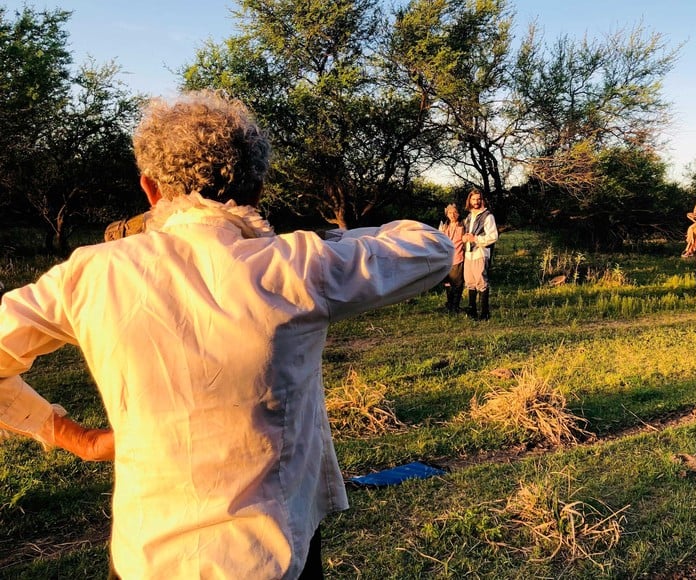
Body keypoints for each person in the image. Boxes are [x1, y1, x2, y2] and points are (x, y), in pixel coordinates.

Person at [0, 90, 453, 579]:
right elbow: (431, 246)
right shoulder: (298, 263)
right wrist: (320, 242)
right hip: (274, 557)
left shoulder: (90, 272)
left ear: (150, 190)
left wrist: (71, 436)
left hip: (143, 557)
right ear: (258, 191)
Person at [462, 188, 498, 320]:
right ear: (469, 200)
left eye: (478, 199)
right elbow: (467, 234)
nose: (476, 202)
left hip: (480, 253)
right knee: (470, 282)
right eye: (473, 199)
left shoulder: (488, 216)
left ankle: (484, 312)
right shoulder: (469, 216)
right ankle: (472, 310)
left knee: (481, 282)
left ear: (482, 200)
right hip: (468, 253)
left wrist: (475, 239)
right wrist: (465, 238)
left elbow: (493, 236)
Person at [439, 203, 465, 313]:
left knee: (457, 284)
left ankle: (455, 306)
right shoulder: (443, 226)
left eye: (455, 212)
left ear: (458, 214)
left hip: (458, 258)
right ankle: (449, 305)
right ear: (446, 214)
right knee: (447, 283)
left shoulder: (463, 226)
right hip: (445, 260)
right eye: (450, 212)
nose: (452, 215)